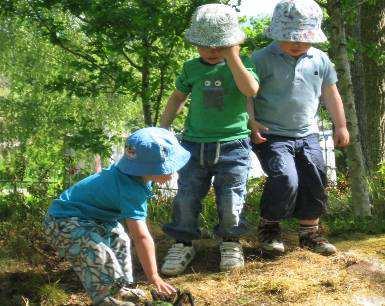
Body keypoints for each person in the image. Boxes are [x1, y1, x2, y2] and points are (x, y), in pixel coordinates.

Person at [159, 3, 259, 276]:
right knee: (187, 196)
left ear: (232, 43)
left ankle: (230, 241)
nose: (213, 51)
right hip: (193, 144)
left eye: (220, 45)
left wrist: (234, 56)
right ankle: (183, 242)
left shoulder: (243, 65)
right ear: (195, 44)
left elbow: (250, 89)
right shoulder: (191, 68)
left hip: (233, 145)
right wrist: (162, 127)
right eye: (206, 45)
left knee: (231, 198)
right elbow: (177, 97)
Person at [44, 127, 190, 306]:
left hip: (95, 219)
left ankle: (119, 288)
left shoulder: (135, 176)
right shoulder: (130, 188)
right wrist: (153, 277)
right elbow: (141, 236)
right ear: (146, 168)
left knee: (120, 238)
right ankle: (106, 298)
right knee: (97, 250)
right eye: (167, 168)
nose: (172, 174)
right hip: (63, 222)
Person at [249, 0, 350, 256]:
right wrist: (251, 121)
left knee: (315, 177)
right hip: (271, 135)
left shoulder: (320, 59)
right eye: (290, 38)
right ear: (277, 33)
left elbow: (330, 93)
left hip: (308, 133)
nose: (297, 43)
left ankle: (309, 232)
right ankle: (270, 227)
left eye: (304, 39)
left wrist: (341, 125)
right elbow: (245, 94)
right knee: (285, 178)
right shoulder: (260, 58)